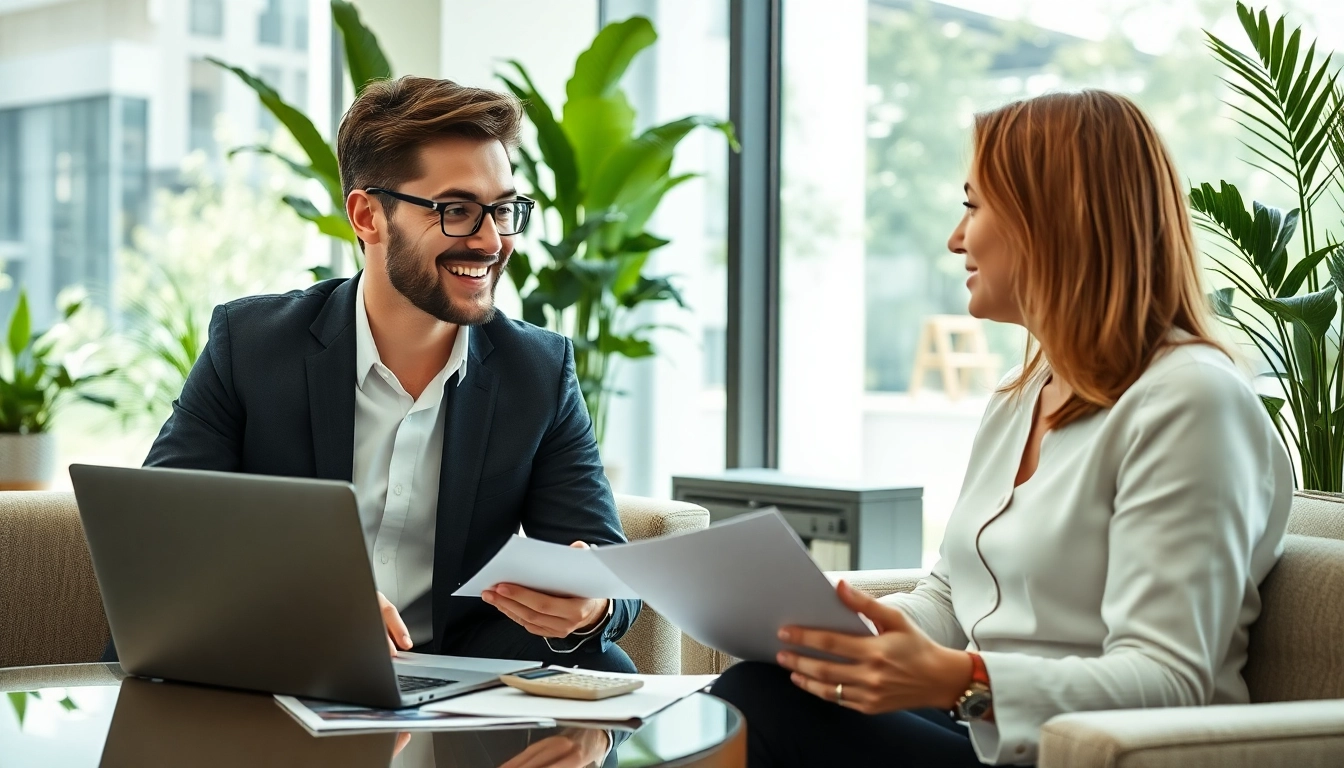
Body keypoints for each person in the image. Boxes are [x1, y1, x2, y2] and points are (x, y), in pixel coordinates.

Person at [709, 89, 1293, 766]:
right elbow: (955, 591)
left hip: (1089, 756)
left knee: (759, 705)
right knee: (763, 685)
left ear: (1053, 220)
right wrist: (869, 635)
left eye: (973, 206)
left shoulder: (1189, 400)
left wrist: (962, 681)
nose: (956, 238)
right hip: (992, 738)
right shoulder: (1024, 395)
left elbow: (1168, 682)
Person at [101, 76, 639, 673]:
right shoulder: (251, 347)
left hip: (455, 671)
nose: (491, 240)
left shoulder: (537, 370)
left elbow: (605, 566)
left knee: (609, 667)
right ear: (367, 215)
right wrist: (301, 600)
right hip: (274, 660)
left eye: (504, 209)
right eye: (456, 211)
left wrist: (592, 606)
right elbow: (160, 537)